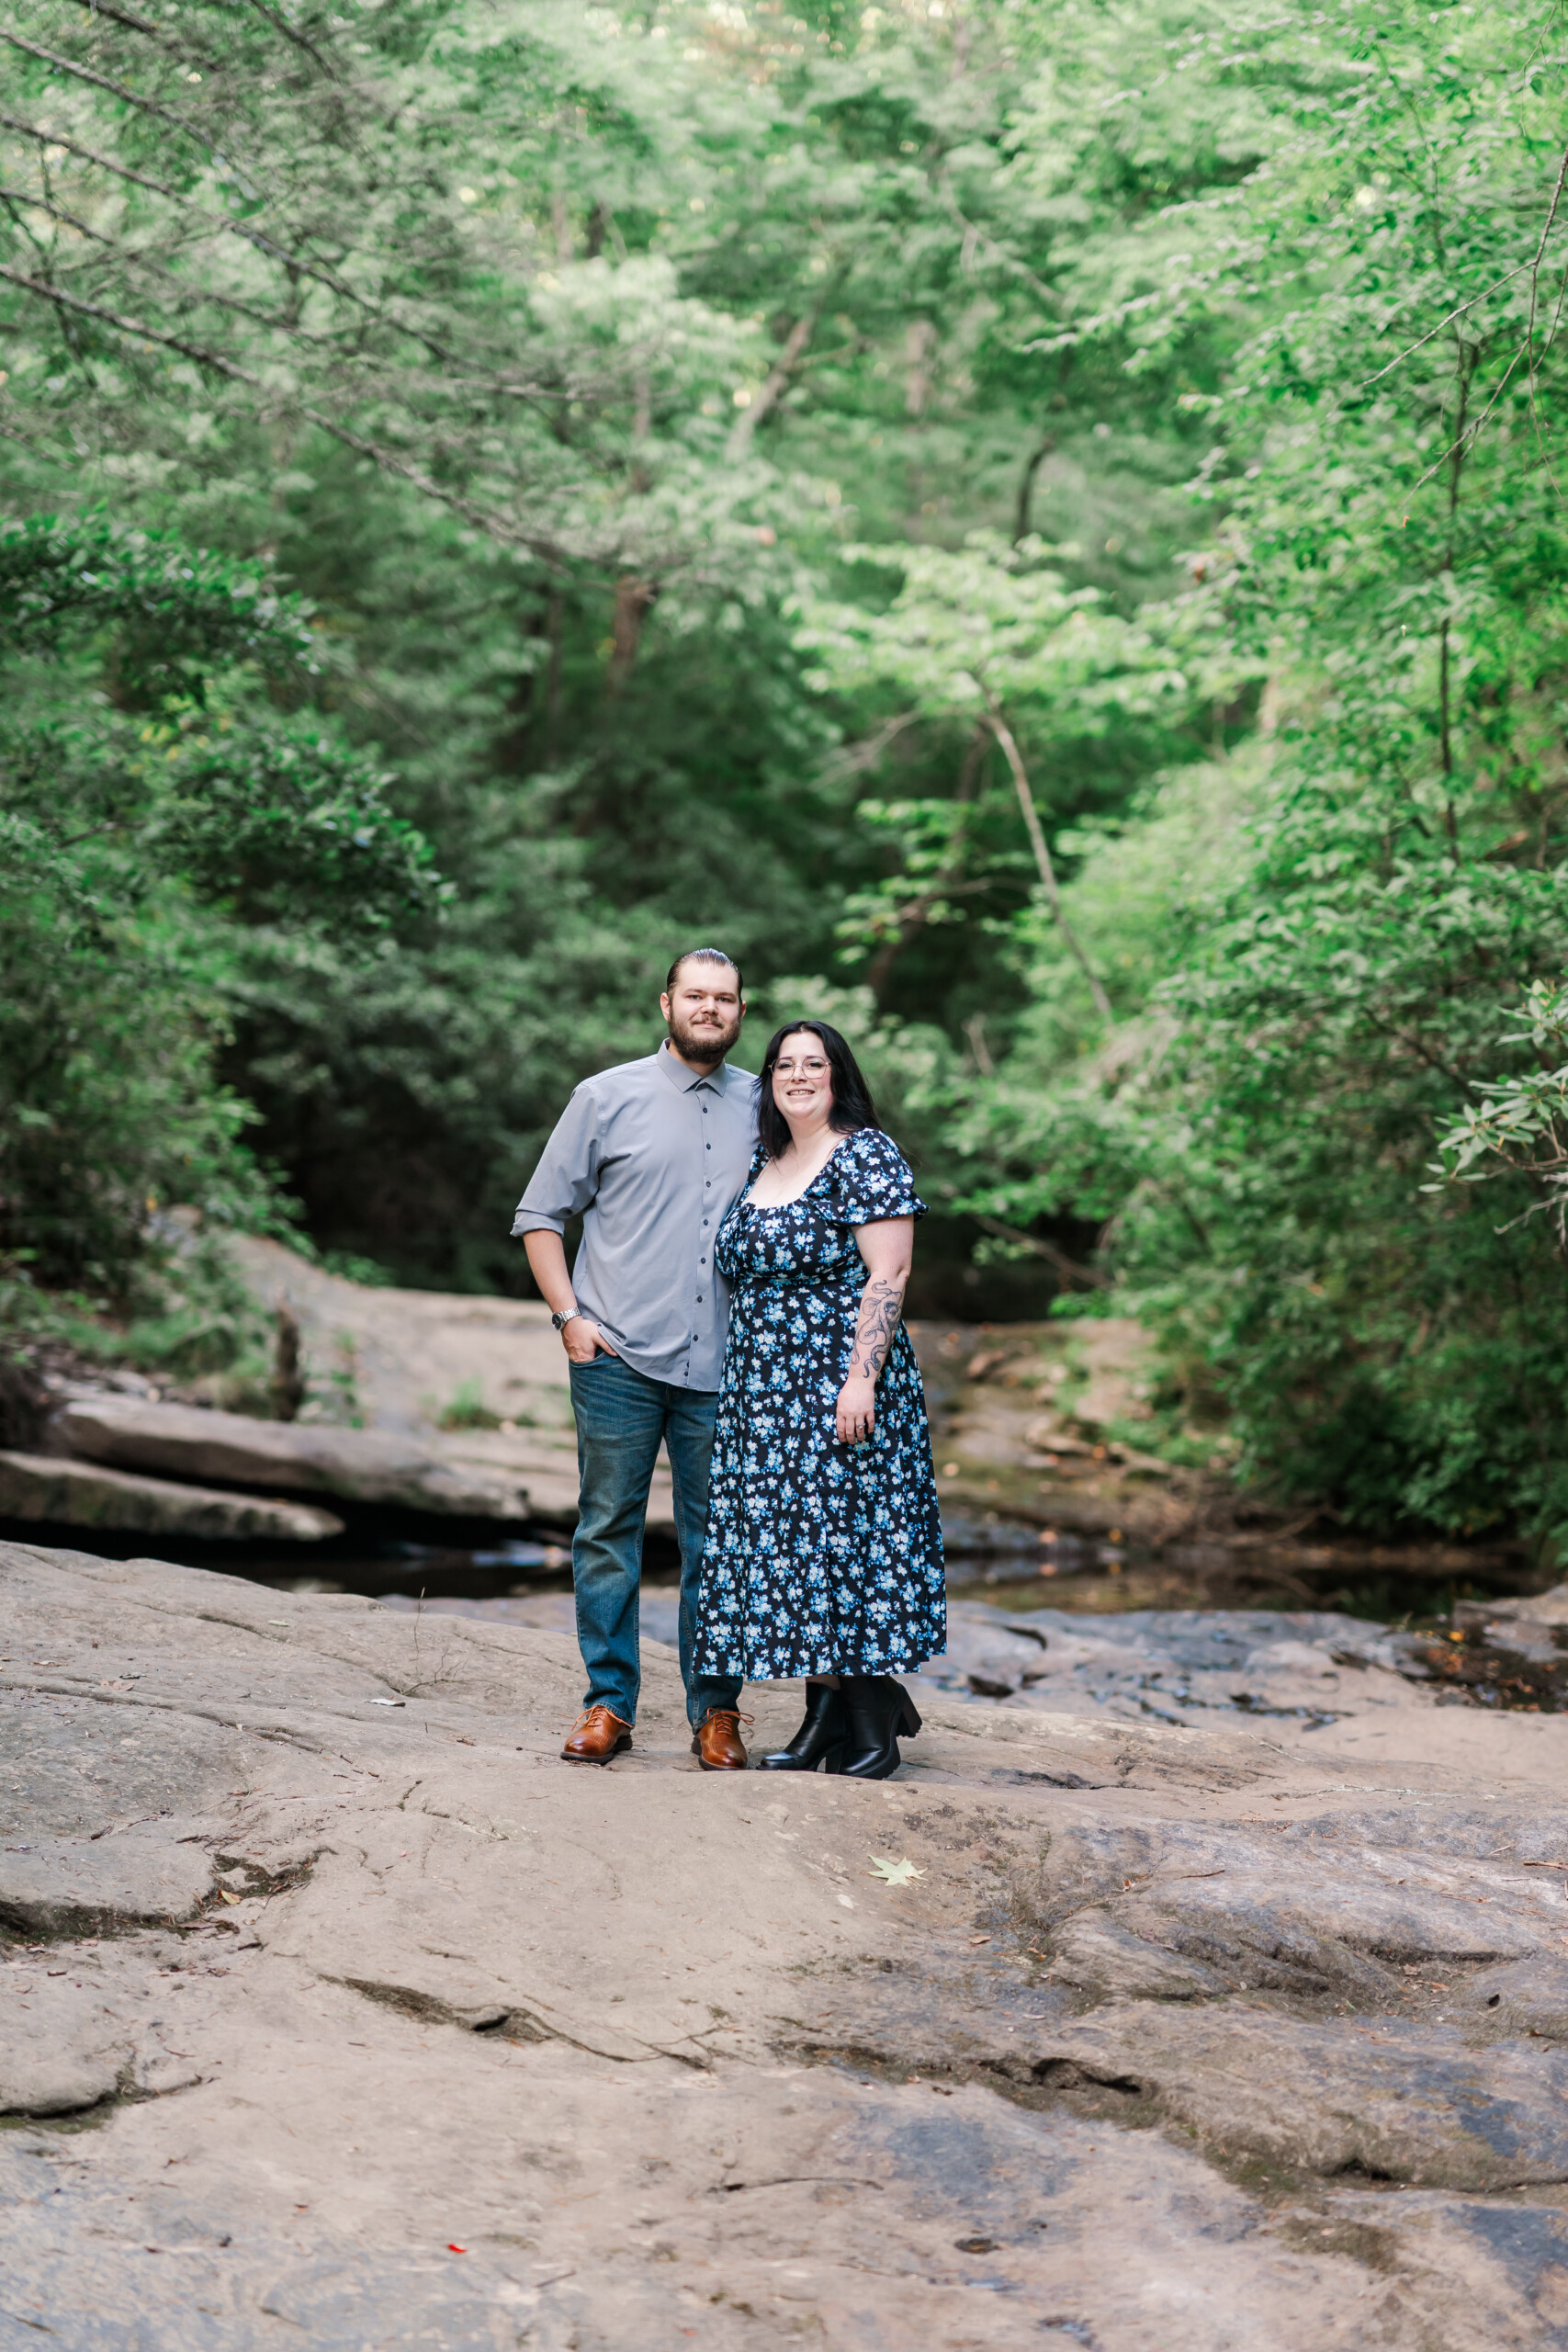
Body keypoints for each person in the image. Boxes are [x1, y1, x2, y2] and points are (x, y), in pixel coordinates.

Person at [513, 948, 758, 1770]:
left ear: (740, 1011)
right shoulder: (604, 1096)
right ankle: (608, 1705)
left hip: (725, 1370)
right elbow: (540, 1214)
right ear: (666, 1003)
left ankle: (716, 1712)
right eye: (696, 995)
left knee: (718, 1542)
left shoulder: (766, 1107)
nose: (709, 1009)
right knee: (607, 1531)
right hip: (614, 1357)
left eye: (723, 999)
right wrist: (568, 1318)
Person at [693, 1020, 945, 1778]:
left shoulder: (866, 1152)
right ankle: (823, 1717)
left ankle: (873, 1714)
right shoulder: (762, 1160)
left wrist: (861, 1377)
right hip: (762, 1395)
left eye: (814, 1064)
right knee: (797, 1552)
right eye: (783, 1064)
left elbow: (888, 1275)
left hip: (839, 1384)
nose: (797, 1075)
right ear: (768, 1077)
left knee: (845, 1541)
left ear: (838, 1075)